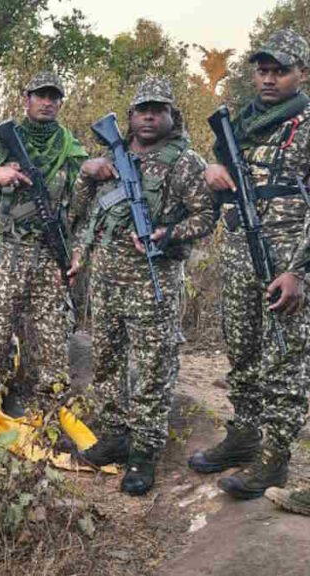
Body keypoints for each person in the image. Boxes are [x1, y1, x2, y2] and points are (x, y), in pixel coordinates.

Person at [71, 77, 215, 495]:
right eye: (142, 110)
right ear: (130, 116)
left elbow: (206, 216)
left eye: (158, 110)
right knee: (107, 360)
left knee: (153, 366)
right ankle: (115, 435)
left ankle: (144, 451)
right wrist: (86, 174)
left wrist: (168, 234)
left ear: (172, 115)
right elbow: (81, 211)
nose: (149, 117)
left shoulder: (185, 162)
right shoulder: (111, 157)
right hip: (107, 281)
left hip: (154, 280)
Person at [188, 29, 310, 501]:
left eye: (280, 70)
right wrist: (211, 170)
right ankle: (244, 436)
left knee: (284, 358)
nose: (269, 79)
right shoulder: (241, 123)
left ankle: (274, 459)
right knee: (241, 349)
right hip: (241, 250)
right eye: (263, 70)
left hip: (289, 258)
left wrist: (299, 271)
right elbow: (220, 172)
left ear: (302, 74)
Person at [0, 71, 88, 415]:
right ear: (27, 99)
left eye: (53, 97)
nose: (47, 103)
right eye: (40, 96)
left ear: (60, 103)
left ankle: (50, 417)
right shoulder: (2, 144)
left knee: (53, 343)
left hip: (49, 256)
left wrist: (77, 252)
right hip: (6, 252)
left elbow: (83, 215)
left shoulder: (71, 150)